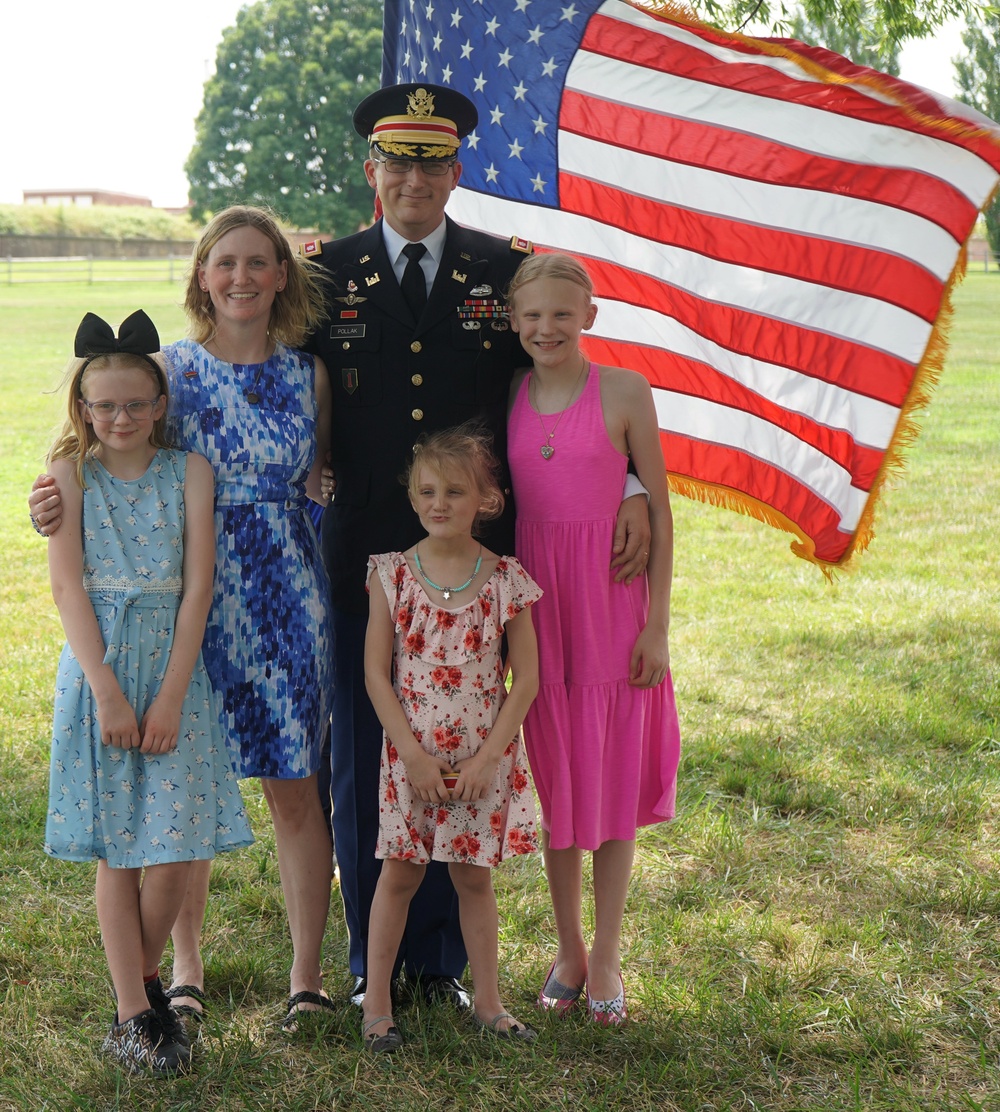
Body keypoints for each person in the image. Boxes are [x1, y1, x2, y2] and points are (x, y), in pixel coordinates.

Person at [305, 81, 652, 1008]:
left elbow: (557, 387)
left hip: (471, 565)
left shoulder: (504, 272)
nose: (413, 180)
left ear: (456, 172)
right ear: (370, 170)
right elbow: (251, 363)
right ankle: (370, 963)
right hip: (365, 554)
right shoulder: (323, 274)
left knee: (457, 743)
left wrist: (628, 487)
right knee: (366, 750)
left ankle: (442, 968)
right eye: (397, 163)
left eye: (431, 163)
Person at [30, 206, 336, 1031]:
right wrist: (47, 500)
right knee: (185, 792)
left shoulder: (310, 375)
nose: (240, 276)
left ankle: (306, 978)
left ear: (281, 275)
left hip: (280, 598)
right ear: (201, 276)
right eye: (223, 262)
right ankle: (182, 972)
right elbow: (103, 451)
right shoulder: (169, 370)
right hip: (174, 609)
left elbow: (322, 478)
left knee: (293, 788)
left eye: (257, 262)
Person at [43, 310, 254, 1075]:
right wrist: (104, 688)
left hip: (174, 667)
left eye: (136, 403)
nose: (122, 417)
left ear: (160, 404)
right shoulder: (69, 475)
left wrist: (168, 697)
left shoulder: (190, 472)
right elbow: (67, 587)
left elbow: (198, 591)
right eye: (106, 406)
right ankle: (137, 1014)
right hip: (99, 668)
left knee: (175, 841)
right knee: (118, 848)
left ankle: (140, 988)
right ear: (85, 408)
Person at [505, 253, 682, 1025]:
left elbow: (662, 512)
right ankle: (568, 946)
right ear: (513, 322)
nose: (547, 328)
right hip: (539, 611)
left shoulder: (623, 391)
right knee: (559, 790)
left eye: (561, 315)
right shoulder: (505, 392)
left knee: (607, 789)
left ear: (590, 317)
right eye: (532, 316)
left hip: (611, 607)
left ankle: (607, 950)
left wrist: (658, 624)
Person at [361, 425, 541, 1052]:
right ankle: (377, 1003)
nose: (440, 503)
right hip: (411, 759)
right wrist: (410, 753)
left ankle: (487, 999)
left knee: (473, 879)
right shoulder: (392, 576)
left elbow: (526, 679)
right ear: (412, 498)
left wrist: (490, 756)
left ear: (485, 500)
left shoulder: (505, 579)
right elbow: (375, 675)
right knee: (400, 874)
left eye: (456, 492)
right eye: (428, 491)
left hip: (481, 762)